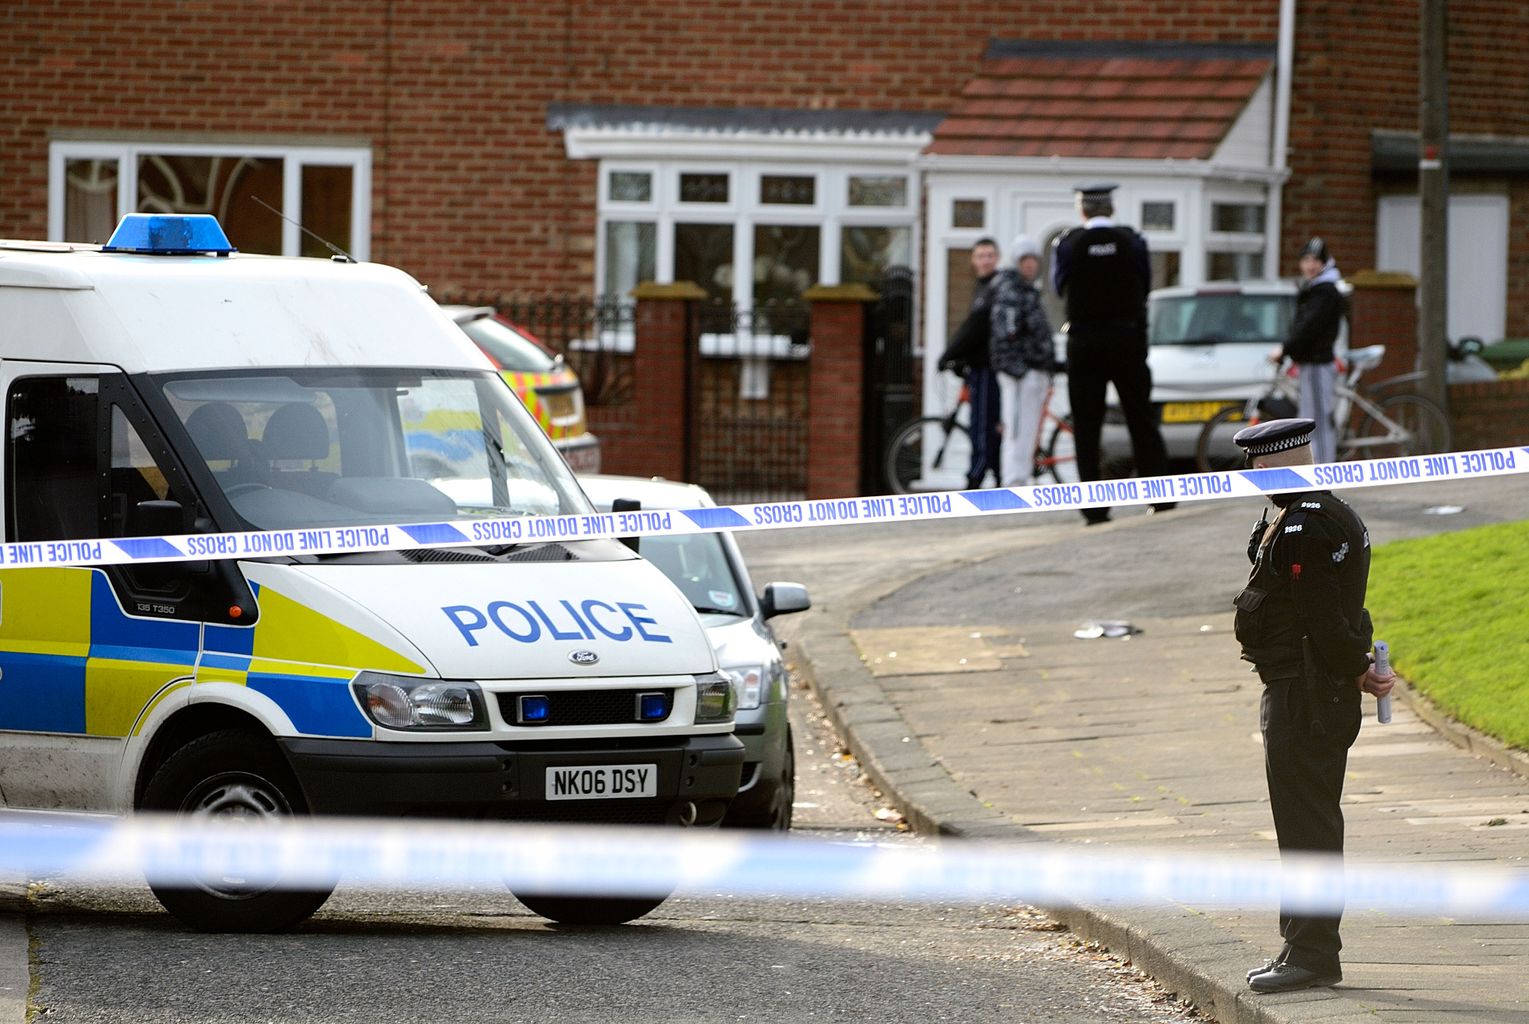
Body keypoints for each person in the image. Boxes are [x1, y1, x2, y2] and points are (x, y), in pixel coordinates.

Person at [1231, 417, 1396, 995]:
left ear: (1276, 463)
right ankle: (1301, 946)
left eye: (1256, 468)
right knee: (1305, 820)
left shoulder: (1305, 524)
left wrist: (1357, 669)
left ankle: (1313, 953)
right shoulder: (1317, 510)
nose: (1252, 479)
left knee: (1307, 825)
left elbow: (1323, 616)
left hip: (1308, 692)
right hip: (1304, 686)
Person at [1052, 183, 1170, 523]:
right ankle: (1161, 498)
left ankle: (1094, 508)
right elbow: (1145, 285)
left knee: (1087, 426)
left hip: (1085, 343)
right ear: (1111, 209)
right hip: (1126, 339)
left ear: (1082, 211)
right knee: (1141, 418)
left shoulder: (1068, 244)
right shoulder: (1132, 241)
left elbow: (1059, 285)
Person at [988, 234, 1056, 486]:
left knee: (1028, 428)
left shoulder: (1028, 291)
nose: (1030, 265)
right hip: (1021, 373)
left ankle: (1021, 476)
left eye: (1034, 260)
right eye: (1025, 260)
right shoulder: (1010, 291)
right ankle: (1014, 481)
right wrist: (1019, 370)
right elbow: (1005, 334)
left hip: (1033, 370)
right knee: (1017, 428)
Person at [938, 238, 1002, 488]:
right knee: (987, 424)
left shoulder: (993, 288)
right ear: (973, 260)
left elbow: (976, 327)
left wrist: (949, 354)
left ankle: (975, 477)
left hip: (988, 367)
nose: (985, 260)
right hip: (978, 366)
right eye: (981, 256)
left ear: (997, 258)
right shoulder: (982, 287)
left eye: (990, 255)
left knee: (983, 426)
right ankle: (997, 475)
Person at [1276, 237, 1346, 464]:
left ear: (1325, 263)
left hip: (1317, 363)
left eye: (1316, 260)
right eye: (1306, 259)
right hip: (1310, 362)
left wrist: (1286, 348)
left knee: (1317, 420)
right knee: (1309, 419)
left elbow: (1308, 327)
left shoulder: (1324, 291)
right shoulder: (1315, 288)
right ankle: (1315, 468)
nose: (1310, 265)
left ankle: (1324, 472)